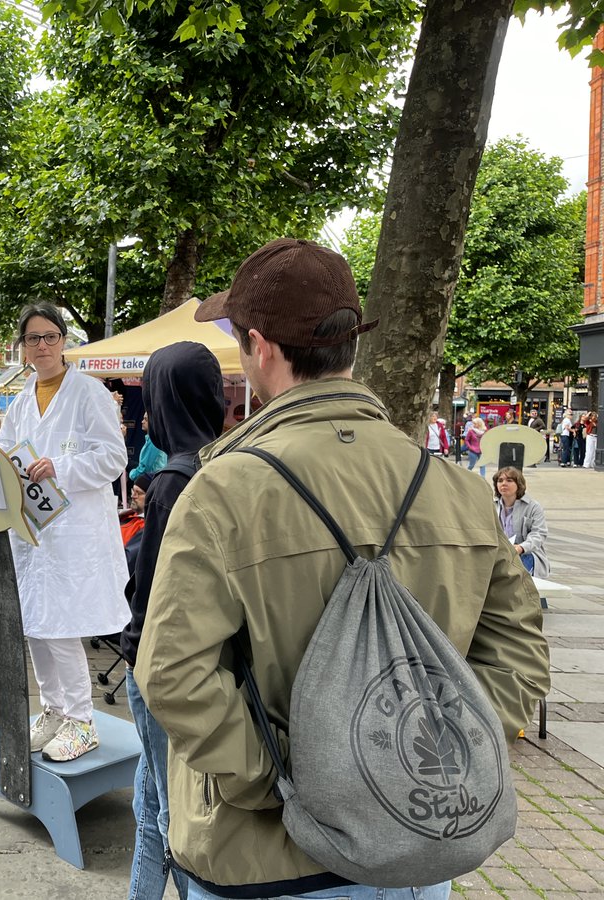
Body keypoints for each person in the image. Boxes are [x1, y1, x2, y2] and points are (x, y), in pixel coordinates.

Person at [137, 238, 549, 899]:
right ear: (348, 345)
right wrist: (448, 754)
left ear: (261, 347)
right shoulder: (457, 488)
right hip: (417, 851)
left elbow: (172, 672)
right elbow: (522, 646)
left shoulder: (223, 493)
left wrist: (278, 785)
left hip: (268, 862)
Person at [0, 303, 131, 761]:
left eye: (50, 336)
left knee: (62, 625)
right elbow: (2, 456)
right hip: (31, 530)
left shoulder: (89, 394)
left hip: (73, 530)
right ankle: (52, 709)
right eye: (33, 339)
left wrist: (62, 468)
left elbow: (114, 458)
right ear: (23, 347)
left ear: (64, 340)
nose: (43, 346)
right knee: (34, 623)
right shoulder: (19, 400)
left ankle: (80, 719)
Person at [121, 343, 225, 900]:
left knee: (168, 814)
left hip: (160, 670)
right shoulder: (226, 464)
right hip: (208, 663)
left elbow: (153, 595)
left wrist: (133, 653)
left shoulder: (171, 483)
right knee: (150, 801)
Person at [493, 466, 550, 577]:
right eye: (500, 481)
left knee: (520, 566)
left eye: (509, 480)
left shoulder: (533, 506)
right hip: (499, 554)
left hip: (526, 553)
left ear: (519, 484)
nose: (503, 484)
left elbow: (539, 534)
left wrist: (521, 548)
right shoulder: (491, 506)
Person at [128, 411, 167, 483]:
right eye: (143, 419)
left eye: (146, 419)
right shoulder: (156, 438)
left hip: (151, 482)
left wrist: (132, 474)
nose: (142, 422)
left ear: (153, 422)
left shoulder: (154, 440)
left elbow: (145, 469)